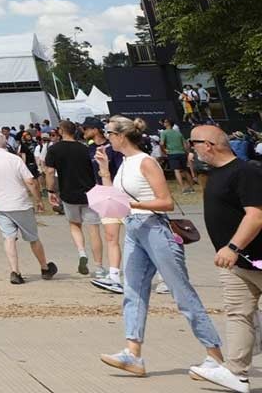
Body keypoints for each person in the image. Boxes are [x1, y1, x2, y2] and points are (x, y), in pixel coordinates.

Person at [97, 116, 240, 388]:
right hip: (135, 230)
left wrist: (133, 204)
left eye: (108, 132)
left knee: (182, 293)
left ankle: (215, 355)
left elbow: (166, 202)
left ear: (121, 136)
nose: (105, 137)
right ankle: (133, 353)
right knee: (134, 291)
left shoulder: (146, 162)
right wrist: (104, 172)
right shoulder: (124, 163)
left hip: (155, 229)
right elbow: (113, 199)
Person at [196, 123, 262, 390]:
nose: (193, 150)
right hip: (236, 265)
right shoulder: (216, 174)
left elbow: (256, 215)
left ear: (209, 145)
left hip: (255, 258)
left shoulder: (245, 173)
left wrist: (233, 247)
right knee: (238, 314)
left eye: (194, 144)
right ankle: (236, 372)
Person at [0, 132, 57, 284]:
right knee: (33, 237)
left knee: (9, 238)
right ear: (5, 143)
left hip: (0, 204)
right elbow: (30, 181)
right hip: (20, 203)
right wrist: (38, 199)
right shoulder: (14, 159)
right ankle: (44, 267)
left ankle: (15, 271)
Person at [43, 120, 104, 278]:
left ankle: (81, 252)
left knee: (75, 225)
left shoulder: (54, 149)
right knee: (94, 229)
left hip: (68, 192)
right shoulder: (85, 148)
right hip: (89, 192)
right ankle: (99, 267)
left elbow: (50, 171)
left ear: (62, 131)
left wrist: (50, 190)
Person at [86, 116, 127, 293]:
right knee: (111, 236)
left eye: (86, 129)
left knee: (140, 238)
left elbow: (120, 171)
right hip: (104, 194)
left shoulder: (117, 150)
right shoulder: (91, 149)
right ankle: (114, 276)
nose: (84, 132)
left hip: (122, 194)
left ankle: (164, 277)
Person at [160, 119, 199, 191]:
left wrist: (164, 150)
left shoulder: (164, 133)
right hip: (182, 153)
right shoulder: (178, 133)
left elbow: (162, 143)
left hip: (172, 153)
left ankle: (183, 188)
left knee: (176, 170)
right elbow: (185, 144)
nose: (164, 123)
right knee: (185, 170)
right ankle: (192, 187)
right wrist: (187, 153)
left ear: (168, 123)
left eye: (165, 122)